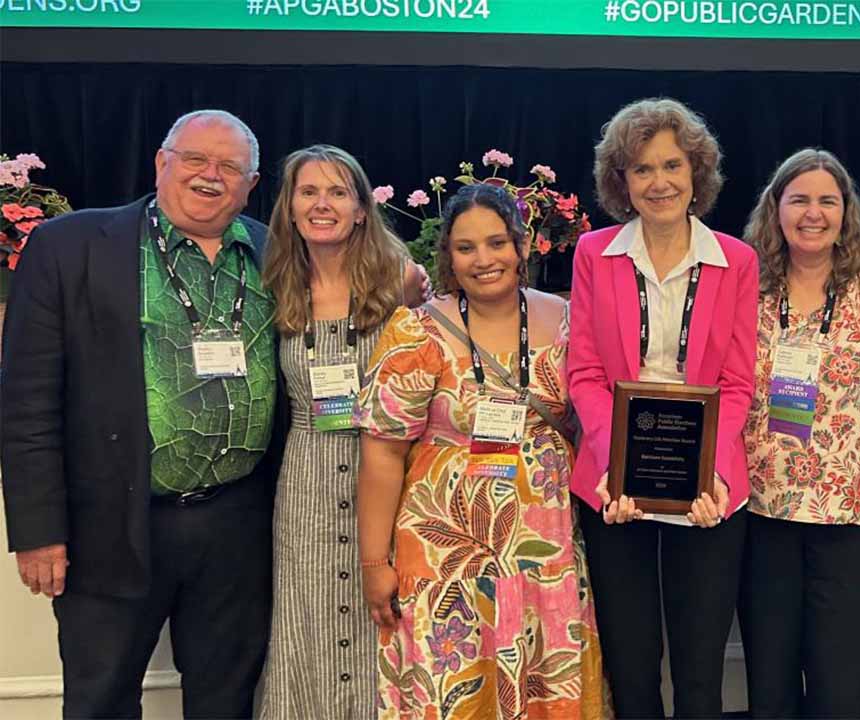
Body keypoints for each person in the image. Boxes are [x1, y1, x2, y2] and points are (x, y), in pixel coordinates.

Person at [2, 109, 280, 718]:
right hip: (110, 520)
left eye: (230, 167)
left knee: (226, 697)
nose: (210, 176)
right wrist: (38, 529)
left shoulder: (275, 252)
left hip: (238, 525)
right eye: (195, 159)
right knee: (101, 696)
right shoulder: (69, 245)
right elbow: (26, 400)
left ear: (251, 183)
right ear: (161, 162)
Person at [355, 183, 608, 719]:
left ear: (520, 244)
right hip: (442, 561)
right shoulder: (417, 330)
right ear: (447, 255)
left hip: (544, 554)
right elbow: (381, 453)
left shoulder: (567, 321)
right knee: (455, 695)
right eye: (466, 248)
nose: (484, 260)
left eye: (497, 243)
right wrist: (375, 561)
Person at [567, 97, 759, 718]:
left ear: (696, 173)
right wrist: (612, 465)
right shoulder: (595, 253)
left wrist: (713, 471)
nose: (660, 182)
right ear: (621, 181)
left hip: (708, 490)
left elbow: (736, 382)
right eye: (642, 169)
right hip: (613, 486)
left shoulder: (737, 261)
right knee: (632, 666)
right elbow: (587, 373)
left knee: (701, 674)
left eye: (672, 165)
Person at [739, 148, 860, 718]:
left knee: (843, 691)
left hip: (852, 521)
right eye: (799, 200)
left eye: (827, 201)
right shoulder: (748, 293)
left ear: (846, 214)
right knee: (769, 688)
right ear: (776, 208)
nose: (812, 214)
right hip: (762, 518)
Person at [257, 145, 427, 719]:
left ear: (360, 207)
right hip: (305, 476)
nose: (321, 204)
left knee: (389, 617)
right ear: (290, 206)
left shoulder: (400, 279)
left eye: (337, 192)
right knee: (306, 623)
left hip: (386, 470)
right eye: (308, 192)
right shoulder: (274, 281)